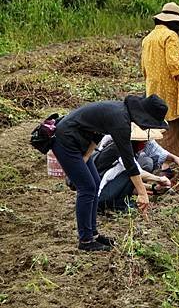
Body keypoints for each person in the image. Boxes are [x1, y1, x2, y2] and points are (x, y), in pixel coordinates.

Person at [51, 94, 169, 251]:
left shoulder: (121, 113)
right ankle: (86, 240)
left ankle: (93, 234)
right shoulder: (121, 120)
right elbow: (128, 161)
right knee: (87, 188)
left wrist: (87, 156)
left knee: (95, 184)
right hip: (65, 140)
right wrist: (142, 193)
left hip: (79, 141)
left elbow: (97, 131)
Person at [141, 2, 179, 158]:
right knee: (172, 127)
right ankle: (172, 164)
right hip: (170, 91)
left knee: (160, 125)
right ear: (174, 22)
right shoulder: (170, 36)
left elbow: (144, 67)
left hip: (153, 91)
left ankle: (160, 160)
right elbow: (173, 63)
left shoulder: (148, 38)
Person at [97, 124, 179, 213]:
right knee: (132, 174)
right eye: (143, 141)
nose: (145, 143)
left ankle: (119, 204)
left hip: (109, 188)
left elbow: (156, 152)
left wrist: (154, 188)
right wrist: (158, 179)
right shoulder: (119, 147)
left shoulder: (130, 146)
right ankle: (116, 206)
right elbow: (136, 172)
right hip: (100, 196)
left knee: (134, 173)